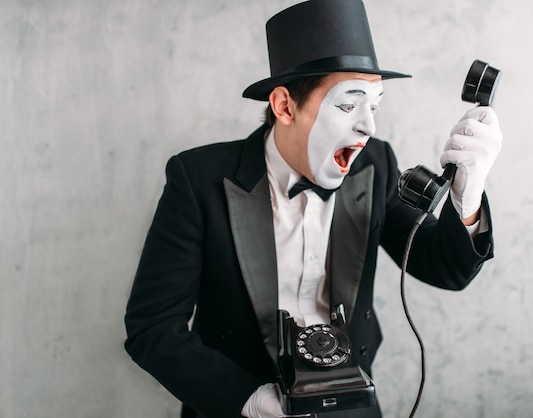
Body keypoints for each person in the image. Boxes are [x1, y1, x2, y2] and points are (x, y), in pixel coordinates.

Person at [123, 0, 502, 417]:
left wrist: (467, 194)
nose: (368, 126)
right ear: (285, 106)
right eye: (347, 104)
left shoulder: (376, 163)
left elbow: (443, 268)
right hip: (237, 404)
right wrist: (250, 401)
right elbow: (152, 329)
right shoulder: (197, 179)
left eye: (373, 105)